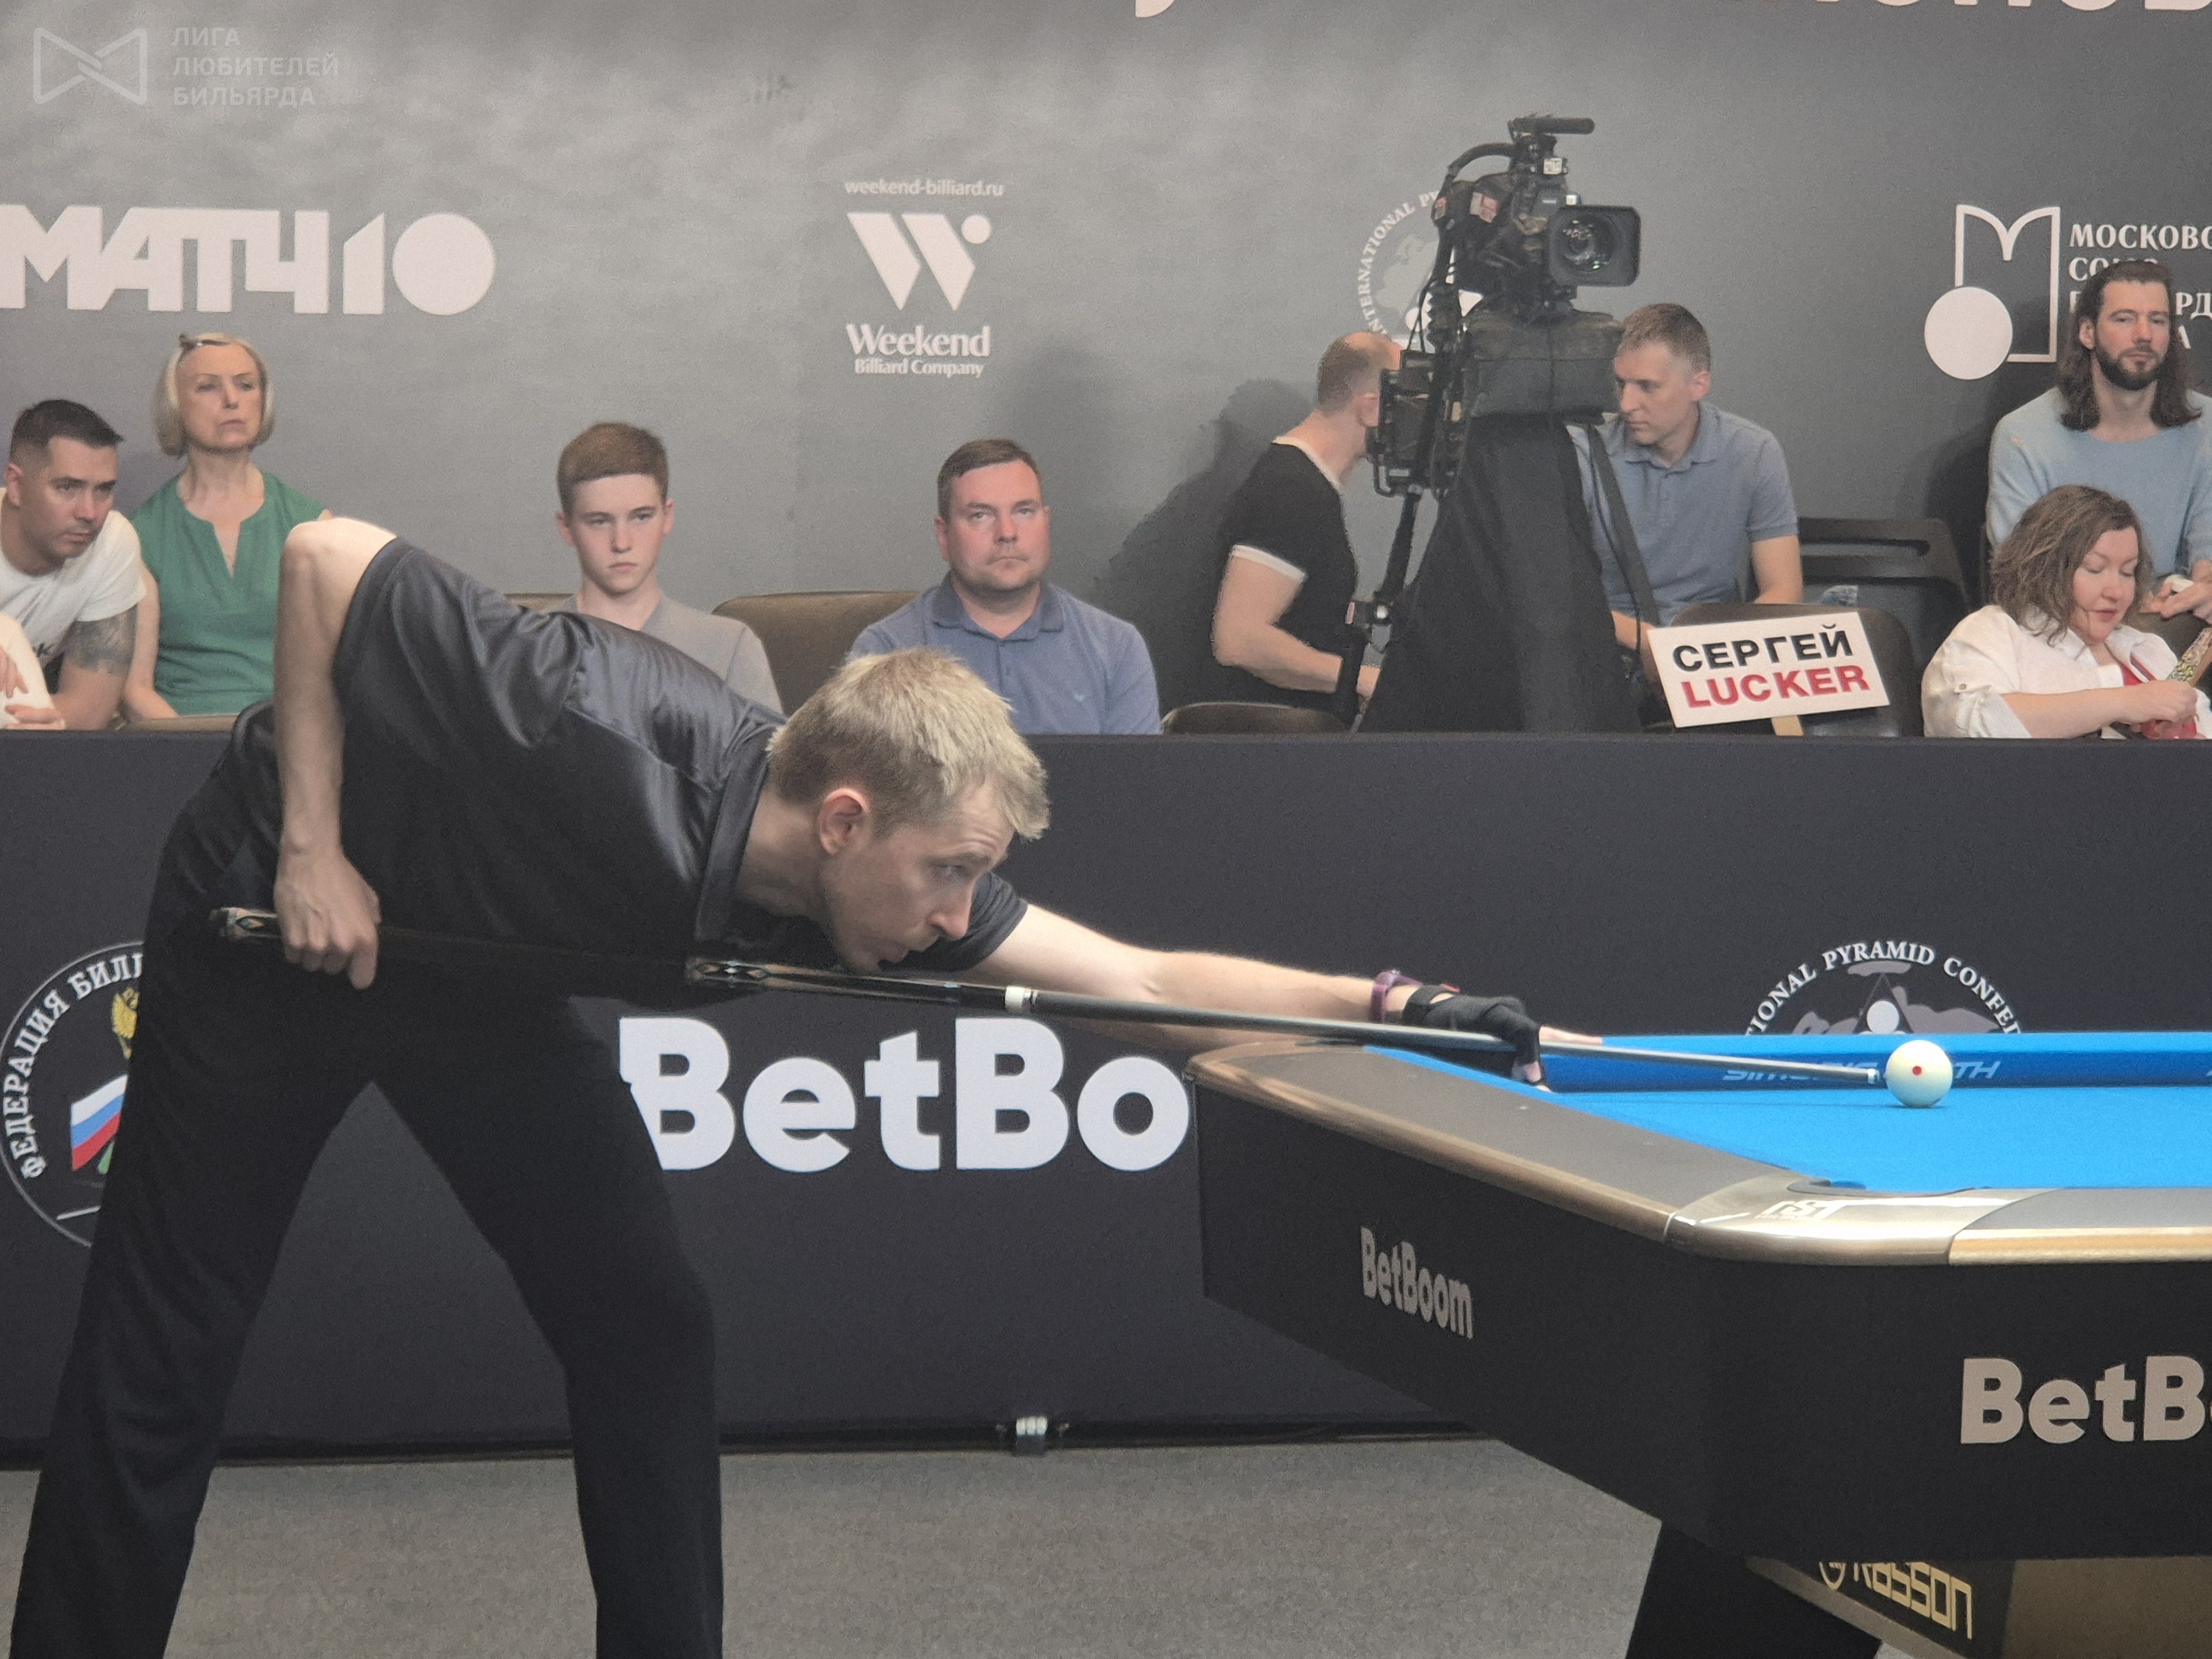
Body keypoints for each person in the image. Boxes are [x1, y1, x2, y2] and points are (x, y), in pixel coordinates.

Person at [8, 514, 1543, 1658]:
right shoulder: (584, 718)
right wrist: (309, 847)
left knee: (645, 1318)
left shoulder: (882, 876)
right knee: (168, 1344)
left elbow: (1140, 985)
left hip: (475, 972)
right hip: (273, 929)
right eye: (948, 874)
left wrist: (1395, 1010)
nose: (959, 916)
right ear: (848, 819)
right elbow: (325, 562)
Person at [851, 437, 1159, 734]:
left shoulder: (1117, 648)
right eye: (981, 515)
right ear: (944, 535)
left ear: (1046, 522)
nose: (1007, 533)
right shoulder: (884, 652)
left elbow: (1136, 772)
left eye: (1024, 511)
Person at [1572, 303, 1802, 681]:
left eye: (1648, 387)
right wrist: (1650, 643)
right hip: (1610, 653)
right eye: (1621, 383)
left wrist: (1716, 653)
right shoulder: (1582, 455)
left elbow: (1785, 589)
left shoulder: (1753, 451)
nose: (1626, 404)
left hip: (1717, 652)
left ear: (1699, 385)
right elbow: (1558, 597)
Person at [1985, 260, 2212, 616]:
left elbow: (2208, 551)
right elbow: (2024, 575)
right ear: (2088, 332)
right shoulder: (2024, 436)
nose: (2144, 334)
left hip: (2177, 623)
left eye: (2158, 320)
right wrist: (2120, 611)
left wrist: (2205, 589)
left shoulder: (2206, 427)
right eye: (2124, 319)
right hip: (2065, 627)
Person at [128, 333, 328, 718]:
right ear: (175, 406)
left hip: (285, 739)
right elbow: (135, 691)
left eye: (246, 385)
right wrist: (189, 745)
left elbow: (329, 679)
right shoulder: (140, 535)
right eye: (208, 387)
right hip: (177, 739)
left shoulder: (312, 527)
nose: (232, 400)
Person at [1923, 484, 2210, 740]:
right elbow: (1968, 724)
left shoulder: (2149, 650)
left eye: (2127, 572)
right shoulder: (1993, 632)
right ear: (2045, 568)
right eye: (2095, 569)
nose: (2116, 592)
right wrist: (2124, 702)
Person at [1210, 332, 1399, 711]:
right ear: (1371, 408)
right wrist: (1362, 679)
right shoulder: (1292, 489)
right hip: (1264, 741)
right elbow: (1239, 640)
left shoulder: (1301, 483)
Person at [547, 421, 781, 711]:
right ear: (566, 527)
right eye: (599, 522)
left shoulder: (730, 650)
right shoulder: (527, 651)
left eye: (642, 517)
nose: (622, 543)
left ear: (667, 516)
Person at [0, 400, 148, 732]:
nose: (89, 513)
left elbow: (91, 708)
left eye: (104, 490)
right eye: (67, 487)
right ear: (17, 486)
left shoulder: (112, 542)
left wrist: (36, 720)